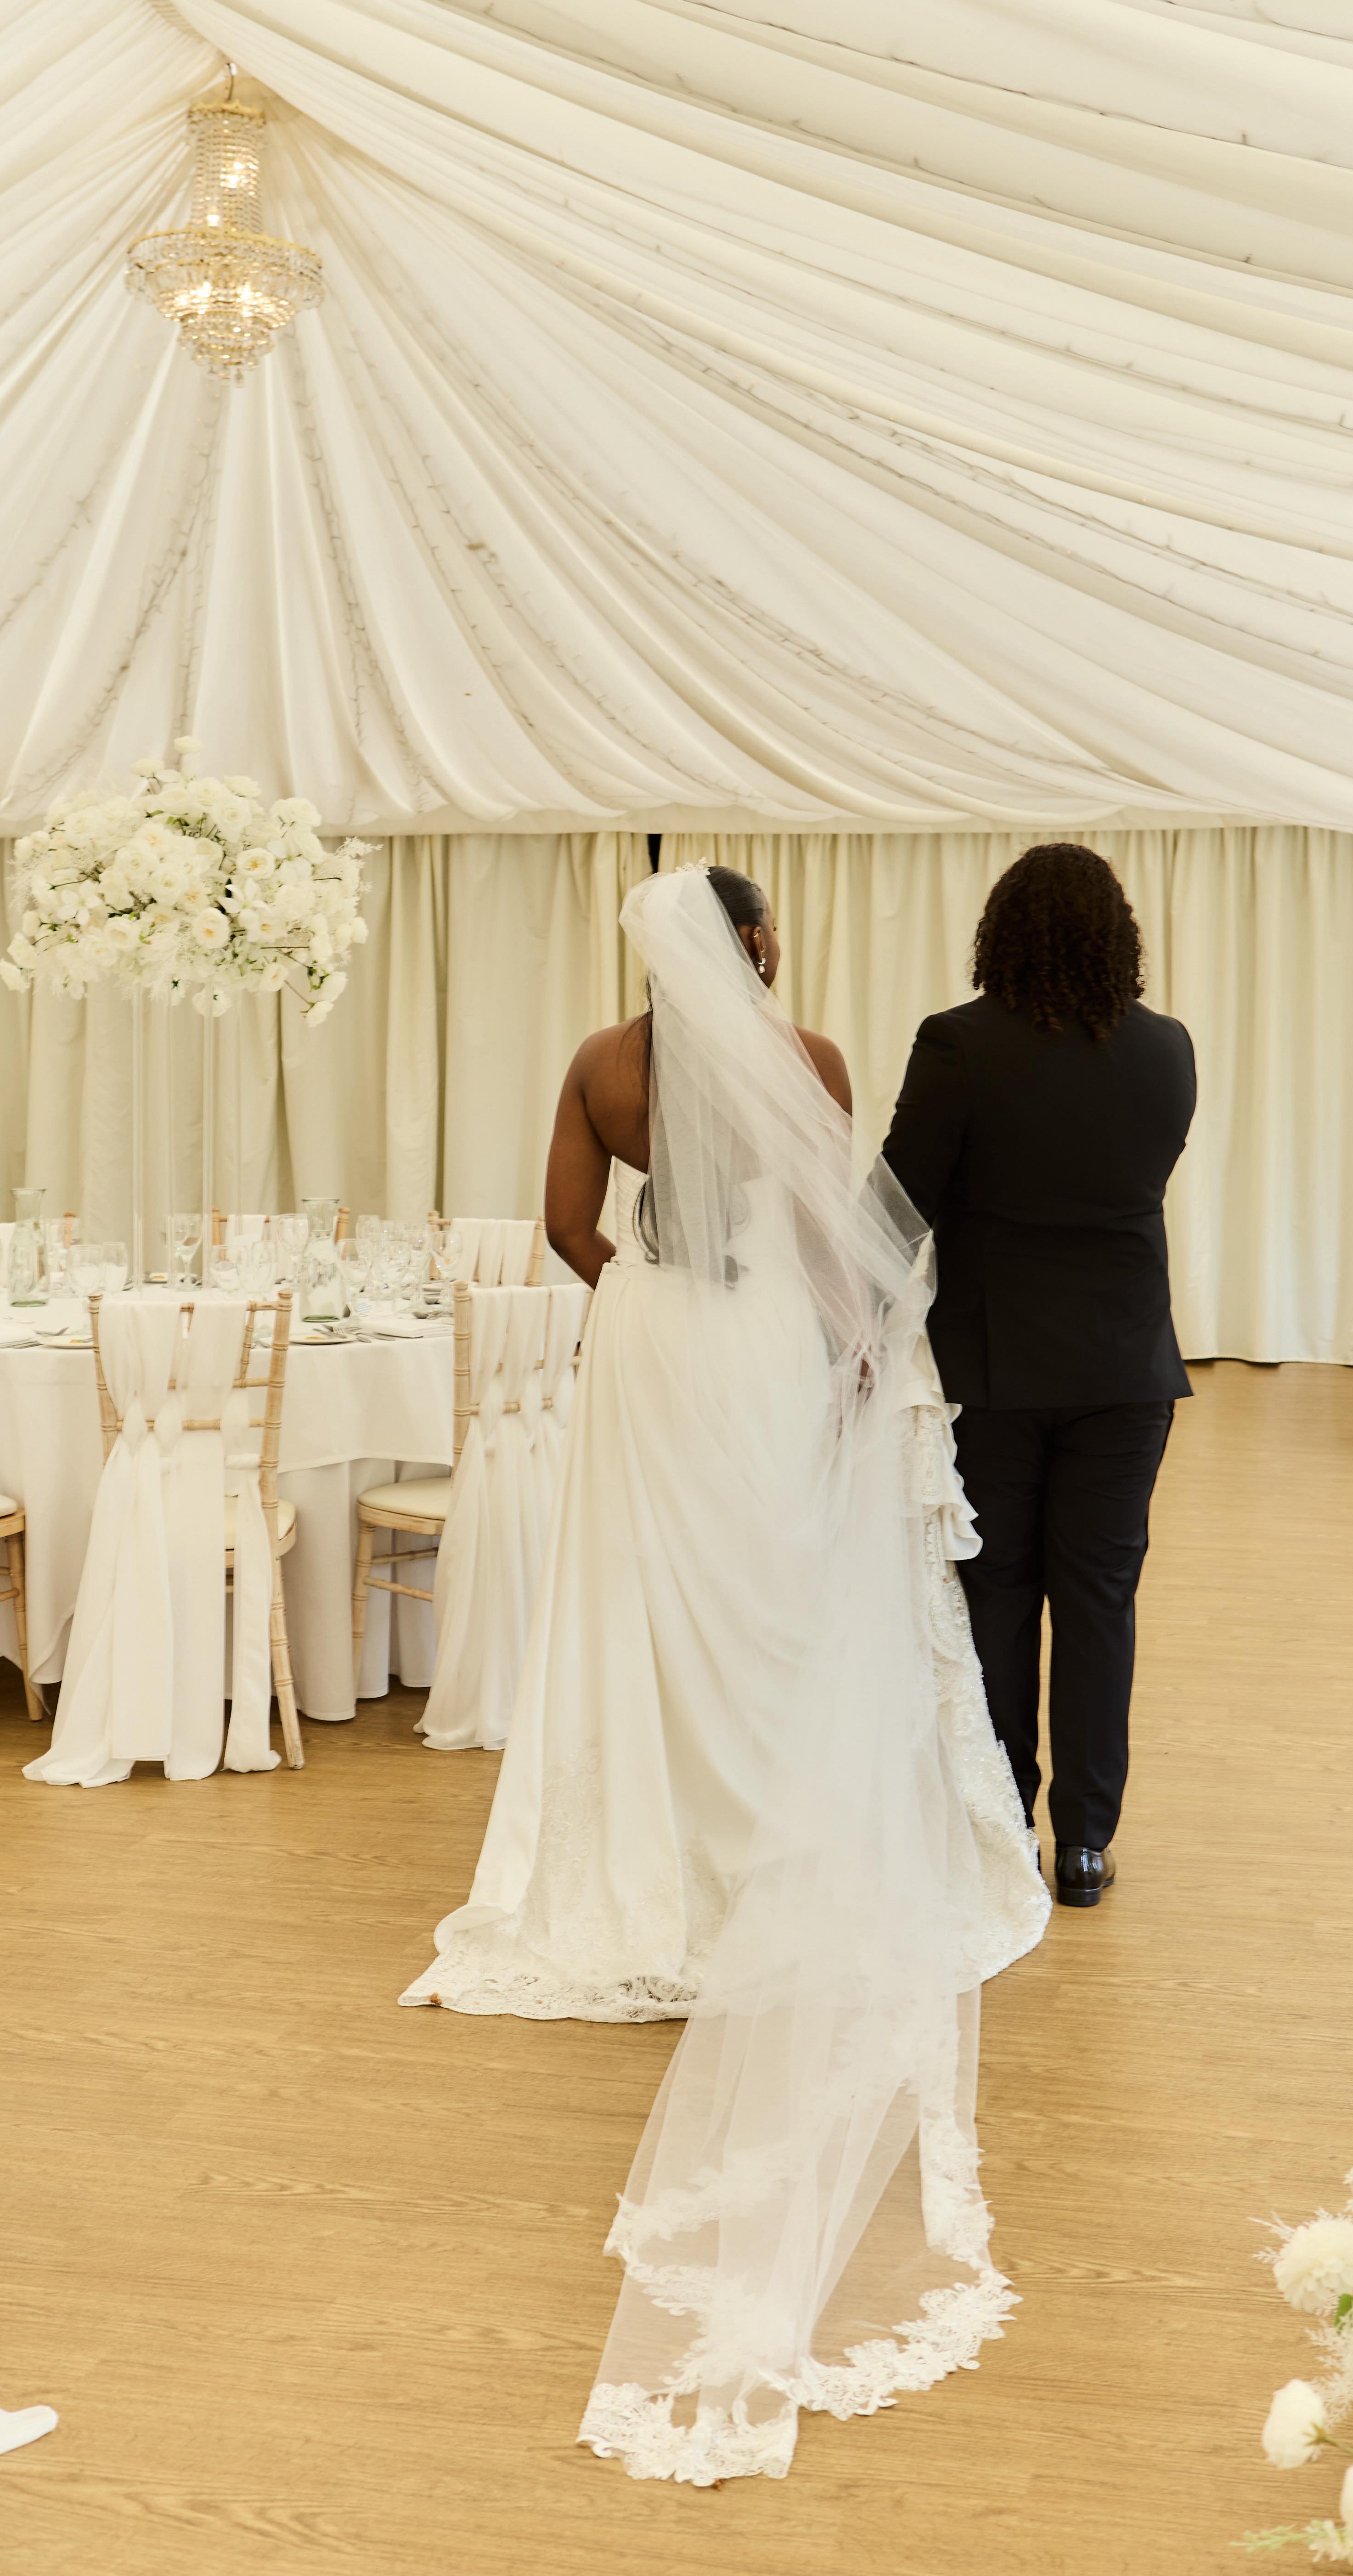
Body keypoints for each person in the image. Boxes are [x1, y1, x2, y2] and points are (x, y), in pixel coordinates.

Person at [402, 862, 1046, 2483]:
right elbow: (838, 1236)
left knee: (640, 1610)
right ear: (753, 946)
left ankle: (652, 1859)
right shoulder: (811, 1059)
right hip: (762, 1352)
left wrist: (645, 1309)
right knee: (779, 1596)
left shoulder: (596, 1066)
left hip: (649, 1351)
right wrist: (853, 1353)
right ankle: (777, 1856)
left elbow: (563, 1226)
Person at [881, 843, 1196, 1910]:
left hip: (993, 1367)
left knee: (1000, 1598)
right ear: (1118, 935)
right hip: (1126, 1371)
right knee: (1101, 1601)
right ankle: (1087, 1845)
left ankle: (1004, 1817)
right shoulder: (1167, 1051)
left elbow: (895, 1208)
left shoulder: (958, 1044)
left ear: (998, 933)